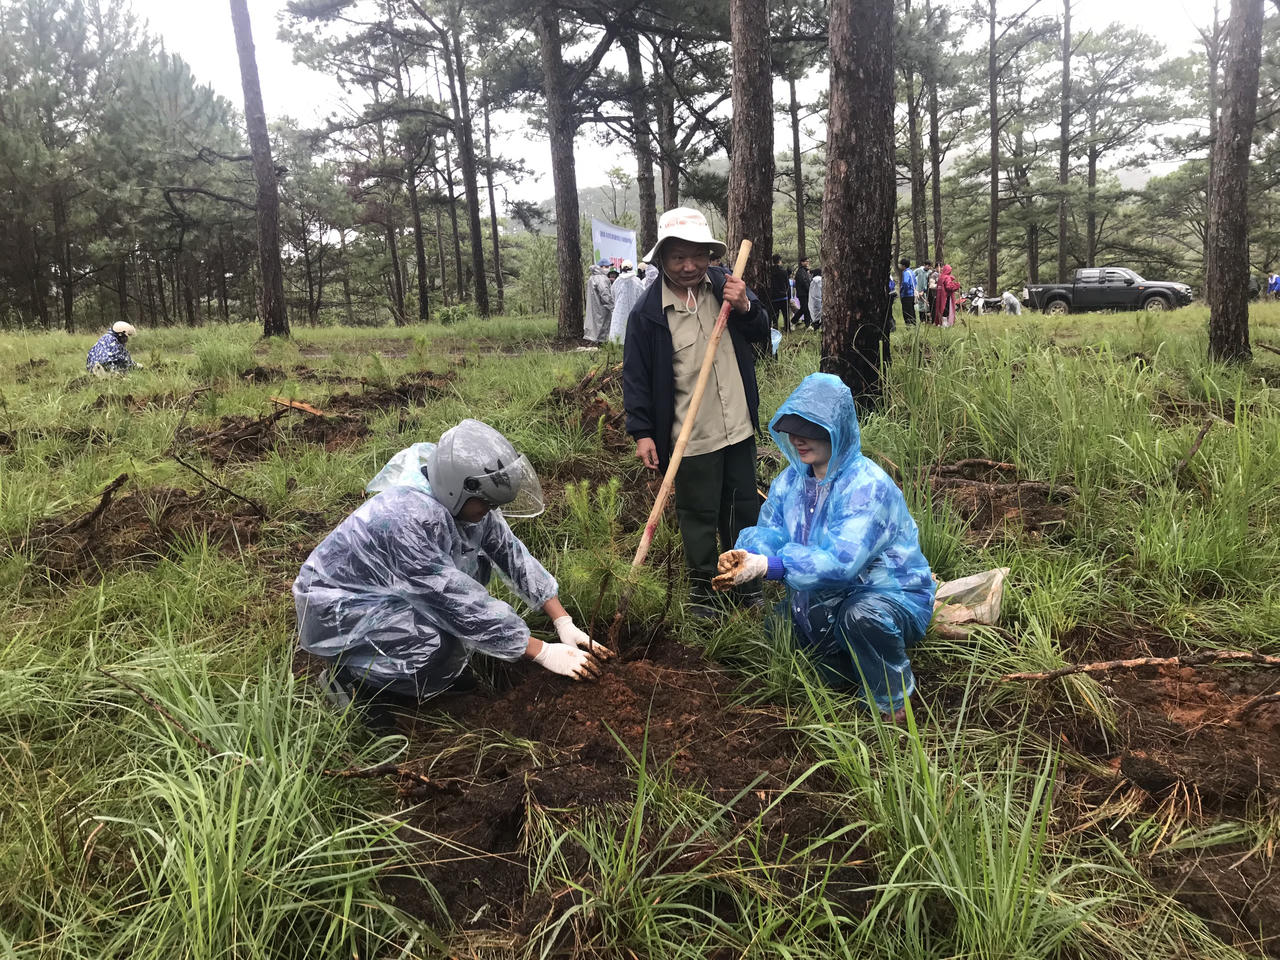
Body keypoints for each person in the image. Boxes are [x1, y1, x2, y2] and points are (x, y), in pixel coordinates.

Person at [294, 420, 610, 728]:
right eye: (485, 503)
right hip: (340, 606)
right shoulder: (406, 519)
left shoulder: (466, 503)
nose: (489, 511)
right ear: (458, 488)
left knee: (450, 637)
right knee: (431, 645)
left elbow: (512, 555)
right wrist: (542, 651)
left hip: (391, 593)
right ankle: (350, 679)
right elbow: (454, 602)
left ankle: (420, 670)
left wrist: (562, 620)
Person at [713, 373, 934, 720]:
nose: (798, 439)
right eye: (793, 429)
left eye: (811, 430)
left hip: (887, 594)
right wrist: (751, 554)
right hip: (826, 593)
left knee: (861, 618)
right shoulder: (792, 480)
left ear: (837, 429)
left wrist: (772, 566)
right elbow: (770, 529)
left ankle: (892, 701)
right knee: (781, 633)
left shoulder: (866, 487)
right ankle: (850, 667)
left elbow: (841, 563)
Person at [622, 207, 772, 618]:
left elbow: (762, 331)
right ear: (662, 259)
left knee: (743, 508)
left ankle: (746, 583)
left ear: (710, 255)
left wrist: (745, 307)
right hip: (691, 436)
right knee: (699, 514)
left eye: (698, 256)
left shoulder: (726, 286)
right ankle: (705, 595)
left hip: (738, 426)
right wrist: (643, 432)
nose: (689, 266)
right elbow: (635, 377)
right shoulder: (648, 313)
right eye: (678, 257)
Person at [608, 260, 649, 344]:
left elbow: (612, 294)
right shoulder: (637, 281)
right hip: (633, 310)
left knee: (619, 333)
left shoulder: (617, 281)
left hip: (619, 312)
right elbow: (643, 295)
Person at [585, 260, 615, 343]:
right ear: (600, 267)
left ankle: (595, 341)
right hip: (602, 307)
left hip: (594, 306)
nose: (608, 269)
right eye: (606, 267)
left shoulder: (592, 277)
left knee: (595, 326)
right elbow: (605, 293)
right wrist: (612, 306)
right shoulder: (602, 278)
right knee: (602, 326)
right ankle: (601, 343)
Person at [770, 253, 791, 331]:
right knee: (786, 315)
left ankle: (775, 329)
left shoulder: (769, 272)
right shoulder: (784, 272)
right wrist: (789, 296)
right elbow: (787, 285)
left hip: (773, 297)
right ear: (779, 261)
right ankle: (787, 329)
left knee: (775, 315)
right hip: (783, 296)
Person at [793, 257, 812, 328]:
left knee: (805, 308)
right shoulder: (801, 271)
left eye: (808, 261)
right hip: (803, 293)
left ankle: (806, 324)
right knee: (805, 308)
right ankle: (795, 321)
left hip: (805, 293)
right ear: (802, 262)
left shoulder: (805, 271)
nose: (807, 262)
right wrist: (809, 290)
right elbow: (804, 282)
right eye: (806, 261)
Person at [898, 258, 917, 326]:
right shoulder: (911, 272)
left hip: (906, 295)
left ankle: (909, 326)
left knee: (906, 312)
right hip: (912, 294)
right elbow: (915, 282)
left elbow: (905, 282)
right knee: (911, 310)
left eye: (900, 265)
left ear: (903, 265)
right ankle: (914, 325)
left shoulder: (905, 272)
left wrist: (903, 291)